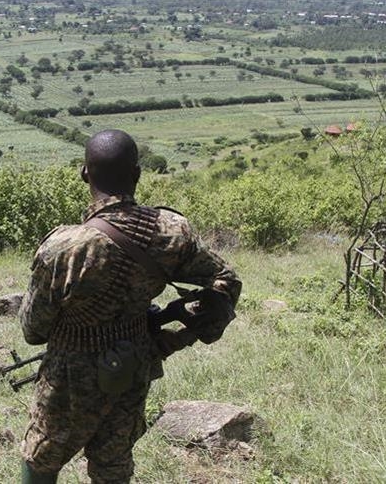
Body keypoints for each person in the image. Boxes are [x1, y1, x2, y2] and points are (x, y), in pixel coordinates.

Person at [19, 129, 242, 484]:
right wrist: (176, 337)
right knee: (114, 464)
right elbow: (225, 282)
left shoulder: (64, 247)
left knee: (41, 459)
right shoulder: (171, 232)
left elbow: (33, 331)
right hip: (133, 366)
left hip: (69, 377)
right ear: (137, 174)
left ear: (85, 174)